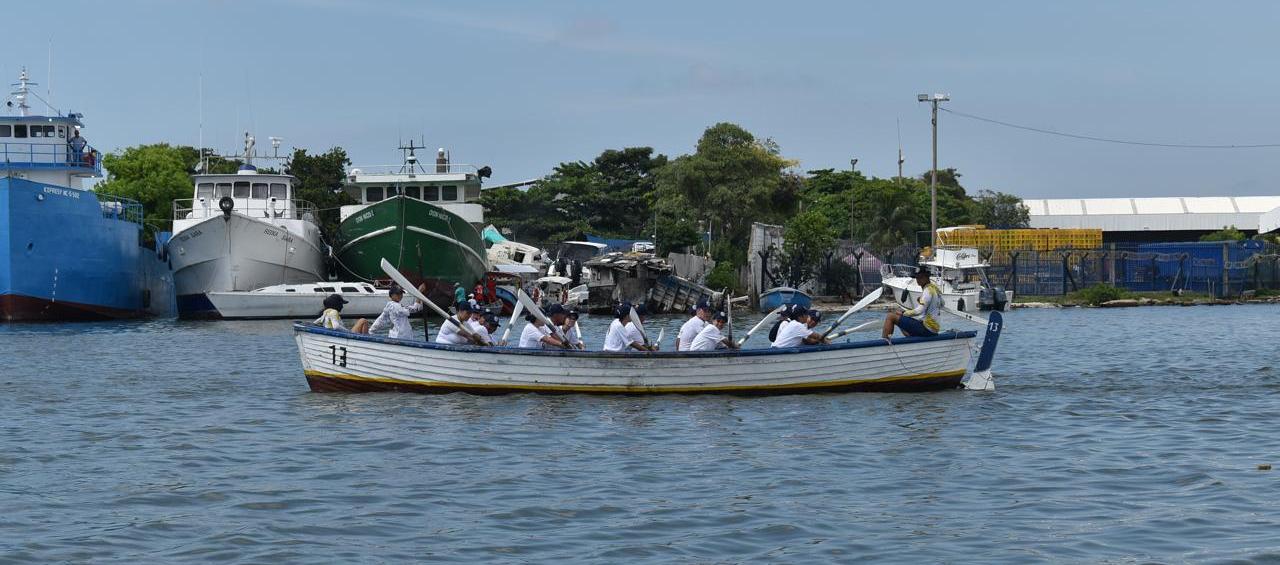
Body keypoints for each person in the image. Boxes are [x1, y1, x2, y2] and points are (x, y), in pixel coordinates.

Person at [883, 266, 941, 339]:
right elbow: (942, 303)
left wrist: (903, 313)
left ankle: (884, 343)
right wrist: (924, 301)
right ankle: (911, 339)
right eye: (917, 277)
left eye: (921, 277)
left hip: (927, 329)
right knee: (901, 318)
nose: (918, 280)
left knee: (890, 316)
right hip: (934, 329)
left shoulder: (927, 291)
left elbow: (919, 311)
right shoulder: (935, 289)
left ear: (927, 277)